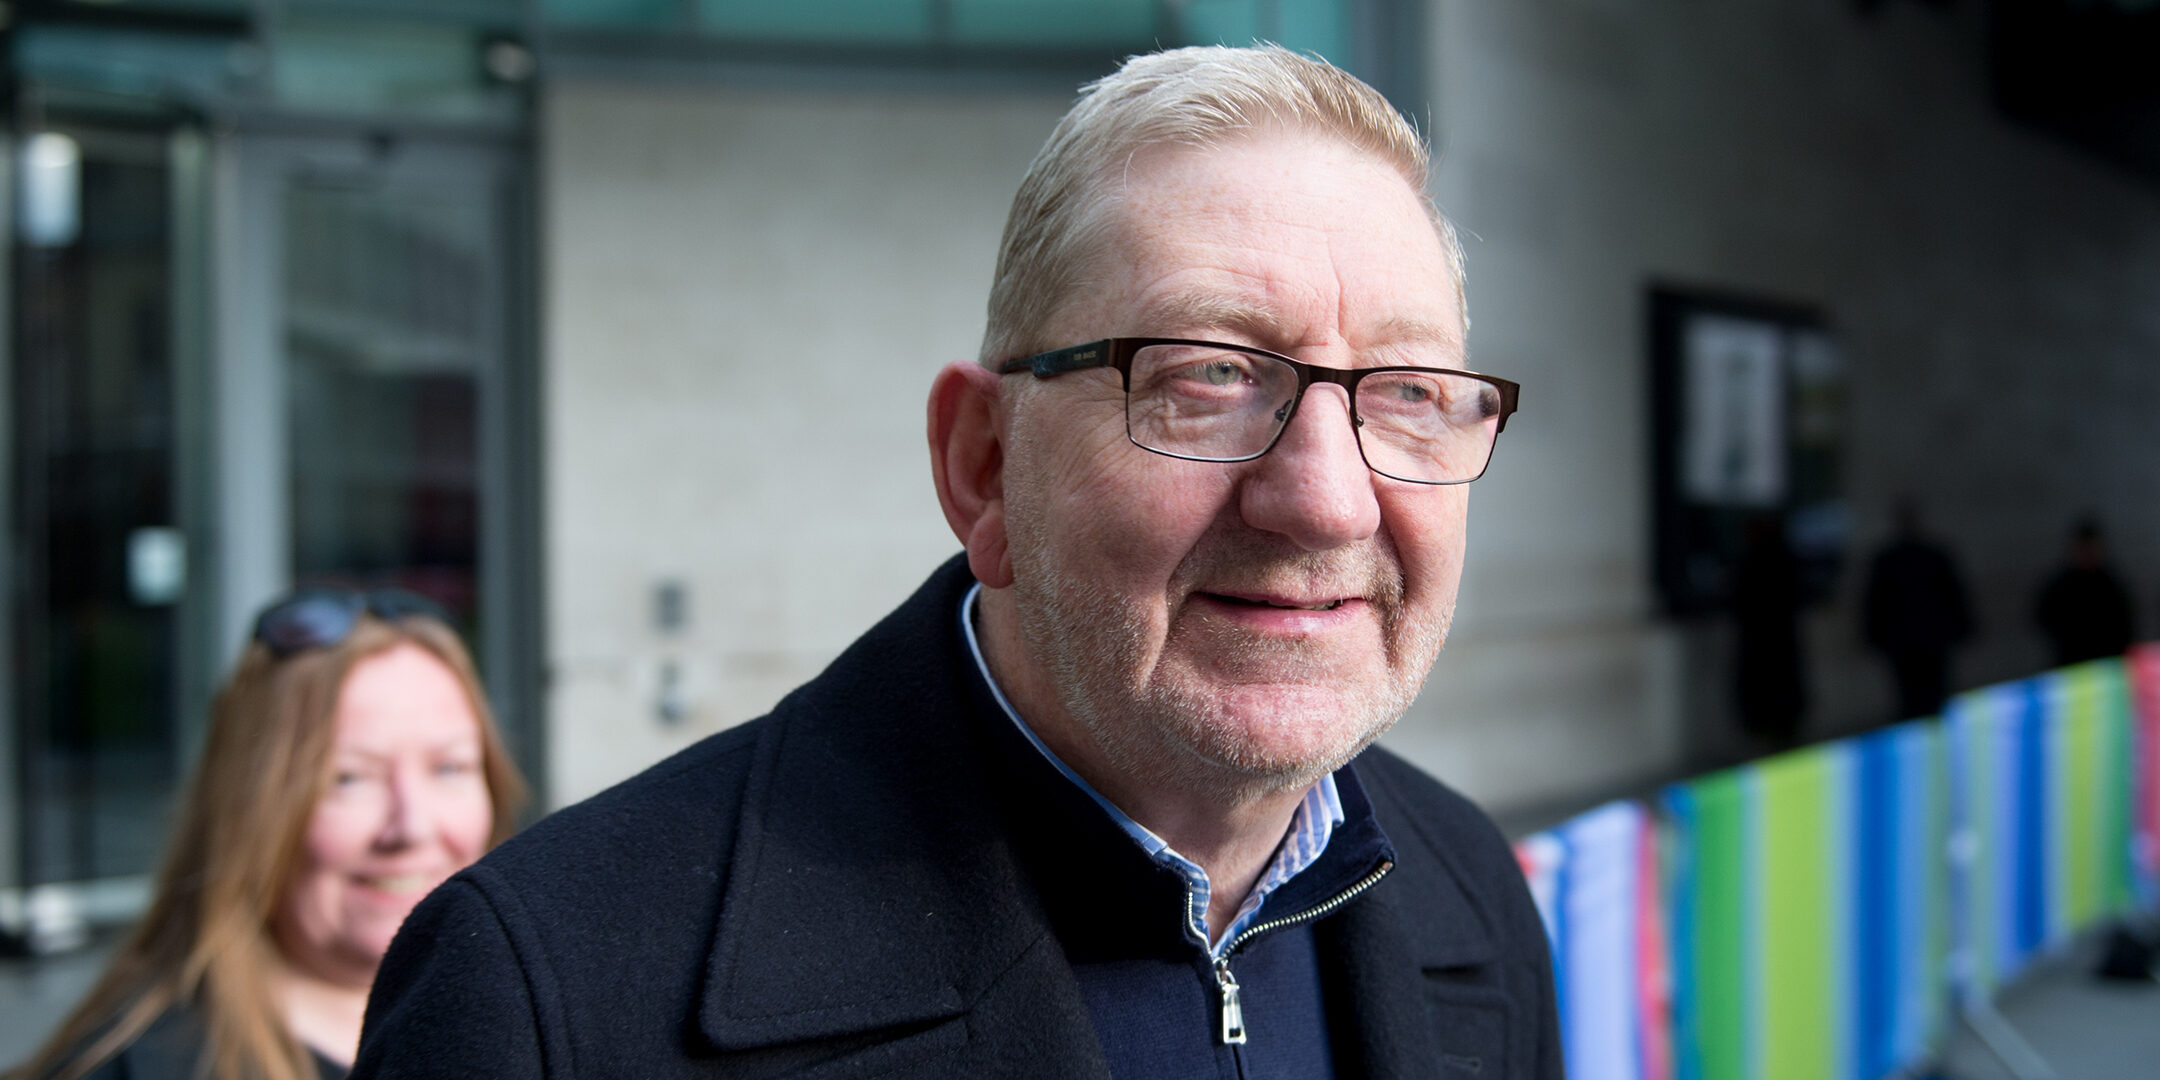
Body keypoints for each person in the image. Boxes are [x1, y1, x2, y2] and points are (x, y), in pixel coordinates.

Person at [354, 46, 1560, 1078]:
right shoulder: (542, 997)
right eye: (1208, 378)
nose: (1326, 499)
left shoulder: (1472, 894)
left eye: (1406, 394)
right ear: (984, 465)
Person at [9, 590, 527, 1080]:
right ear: (252, 811)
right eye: (347, 778)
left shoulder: (537, 1026)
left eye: (450, 768)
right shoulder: (140, 1066)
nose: (411, 826)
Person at [1860, 498, 1973, 720]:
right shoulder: (1925, 556)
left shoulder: (1892, 560)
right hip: (1920, 641)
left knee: (1919, 698)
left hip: (1914, 641)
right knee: (1923, 698)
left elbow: (1952, 594)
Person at [2035, 516, 2137, 667]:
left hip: (2106, 664)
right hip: (2072, 663)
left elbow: (2126, 623)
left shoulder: (2110, 584)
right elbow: (2042, 615)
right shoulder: (2062, 584)